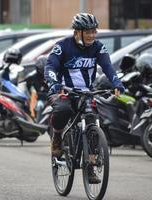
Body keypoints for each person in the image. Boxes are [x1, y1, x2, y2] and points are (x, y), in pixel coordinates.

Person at [44, 13, 125, 183]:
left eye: (94, 31)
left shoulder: (98, 47)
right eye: (88, 32)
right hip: (62, 90)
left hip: (86, 92)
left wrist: (117, 83)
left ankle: (91, 167)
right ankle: (57, 137)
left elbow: (108, 67)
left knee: (92, 120)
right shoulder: (62, 46)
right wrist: (54, 83)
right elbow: (50, 66)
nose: (92, 35)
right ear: (77, 32)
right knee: (63, 109)